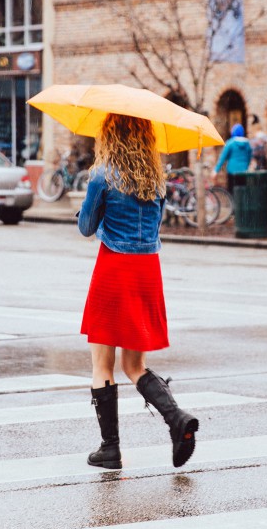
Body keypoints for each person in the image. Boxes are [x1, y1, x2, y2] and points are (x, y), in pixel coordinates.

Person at [77, 113, 199, 471]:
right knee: (135, 365)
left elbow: (87, 227)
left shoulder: (102, 176)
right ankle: (176, 419)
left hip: (114, 268)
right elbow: (155, 224)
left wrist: (87, 208)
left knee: (103, 364)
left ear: (110, 136)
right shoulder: (156, 180)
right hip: (147, 270)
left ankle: (110, 448)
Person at [211, 122, 252, 191]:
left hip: (232, 171)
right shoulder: (247, 143)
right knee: (242, 190)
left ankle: (233, 201)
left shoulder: (230, 143)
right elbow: (249, 157)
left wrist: (216, 170)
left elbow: (223, 157)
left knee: (232, 191)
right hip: (244, 171)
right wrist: (246, 166)